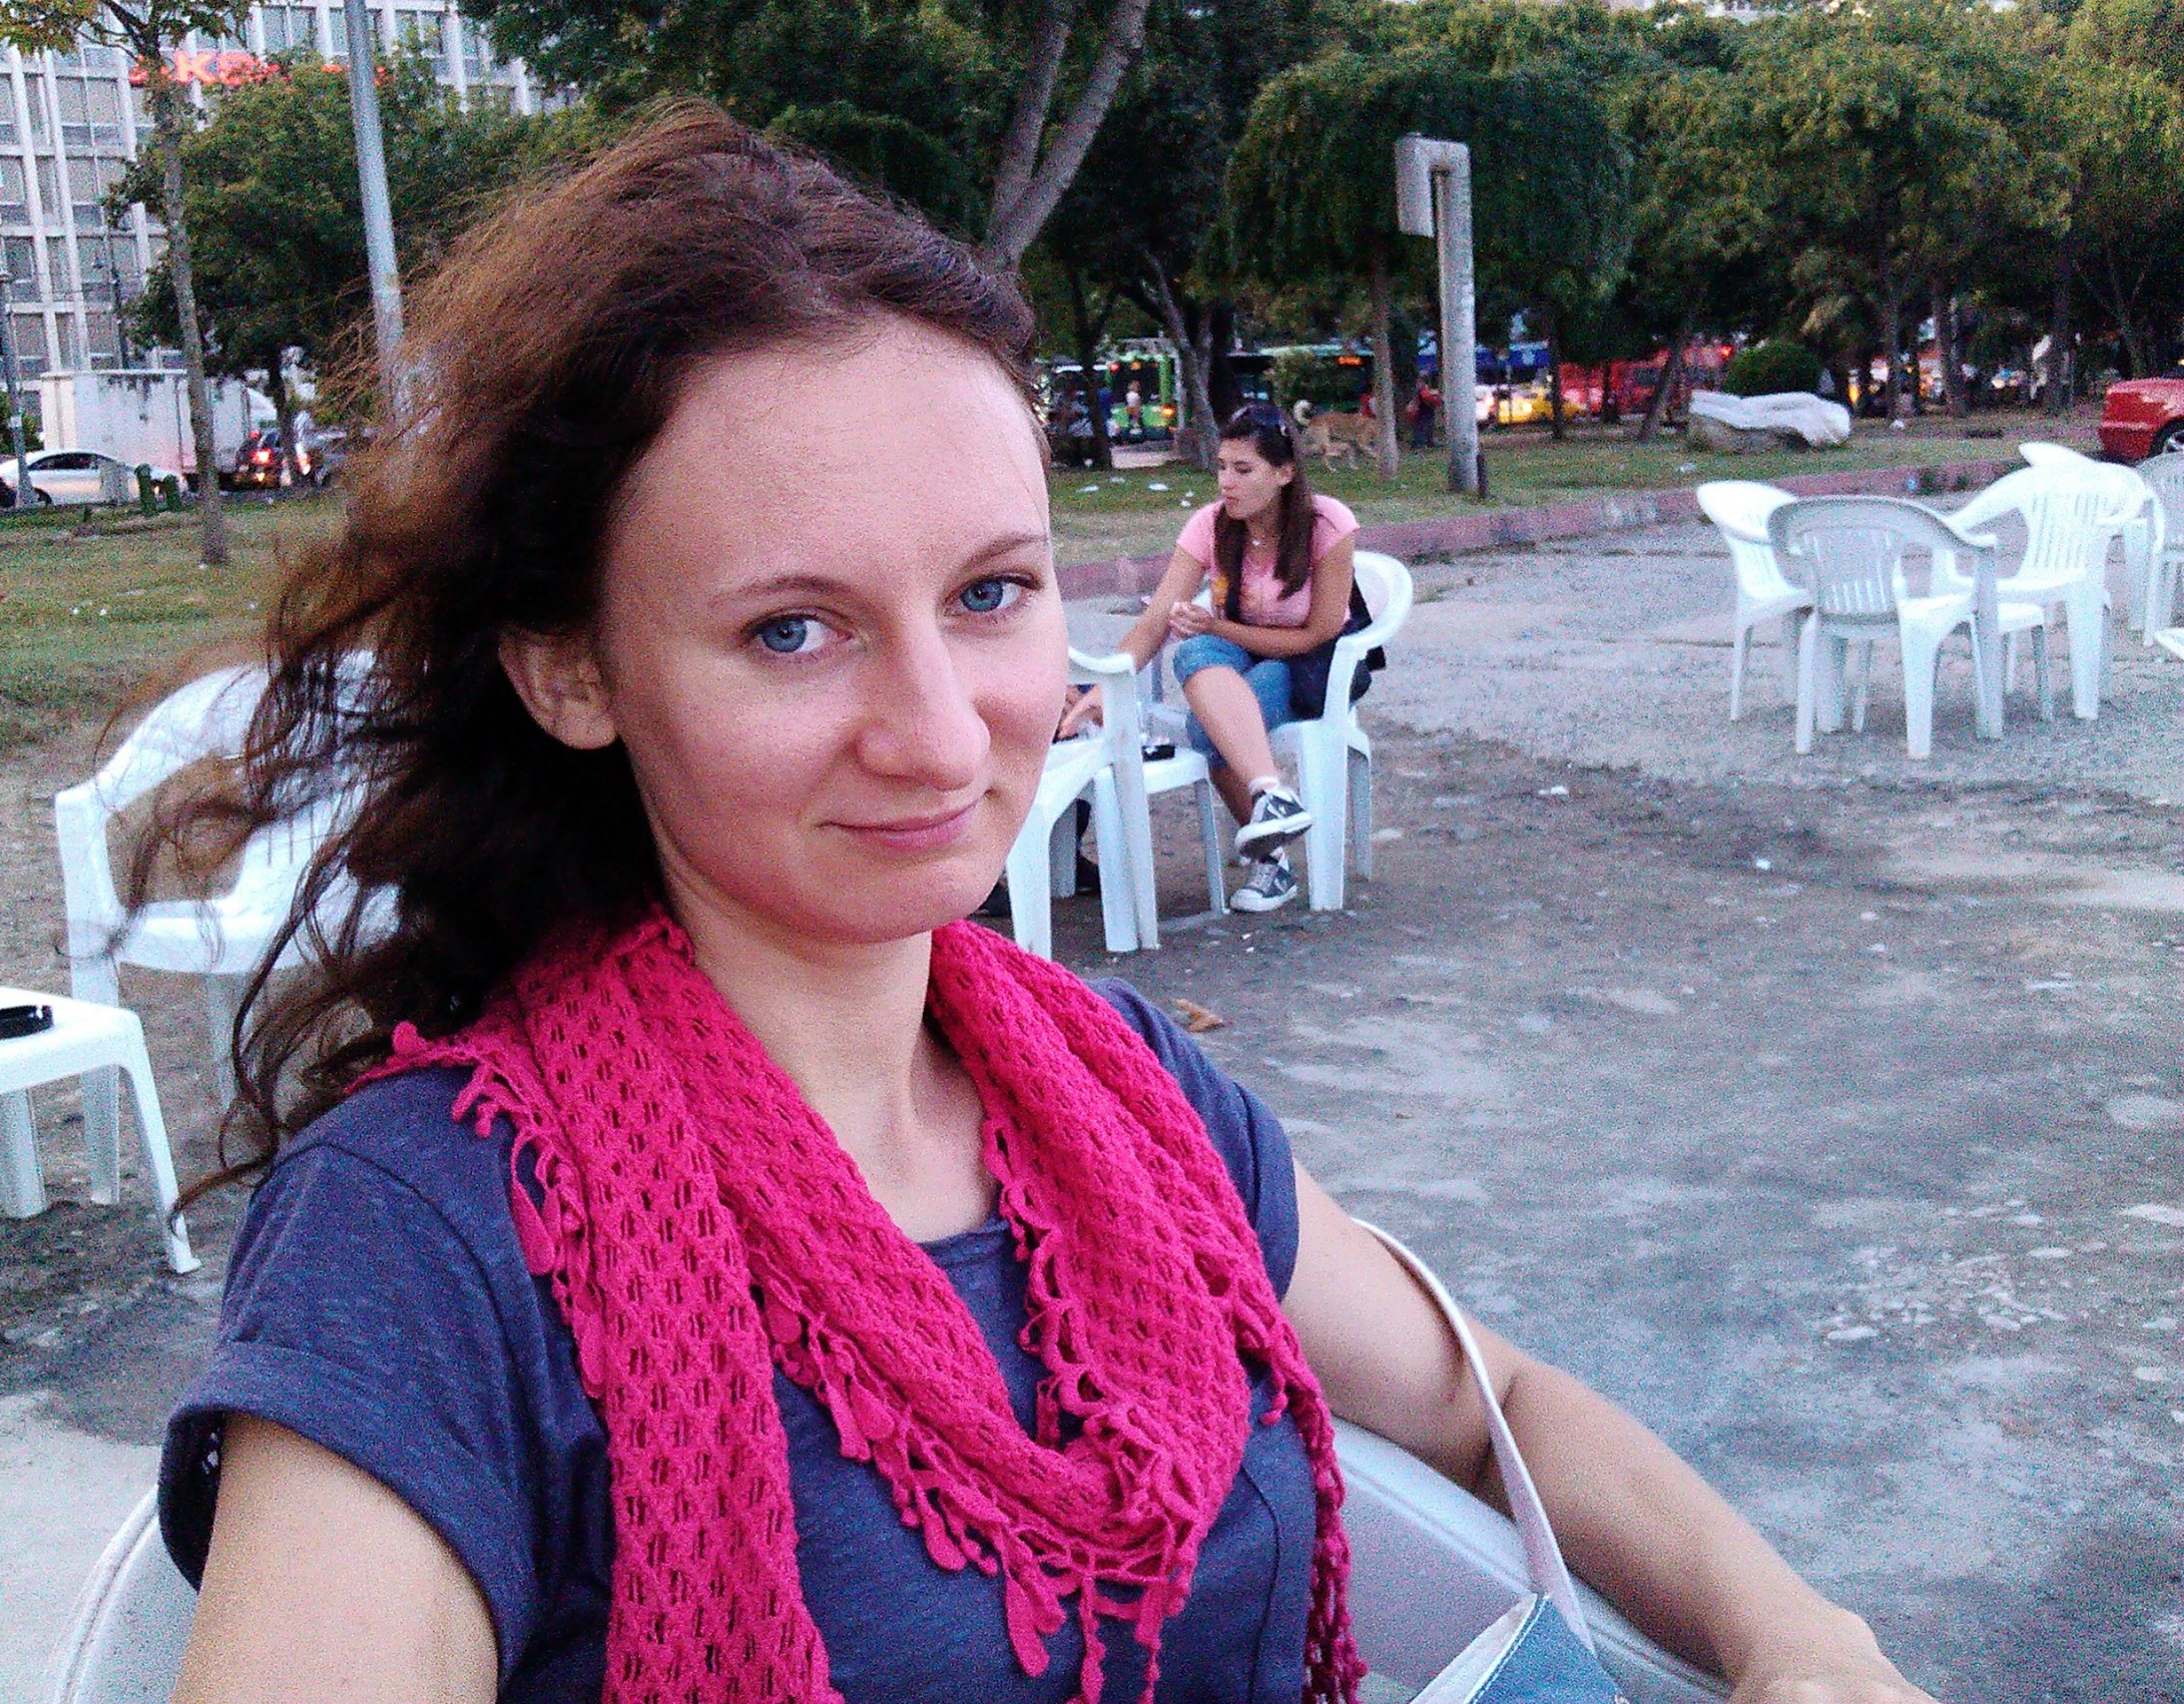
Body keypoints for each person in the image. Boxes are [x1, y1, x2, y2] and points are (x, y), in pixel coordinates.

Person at [150, 105, 1940, 1704]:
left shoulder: (1125, 1101)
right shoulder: (428, 1241)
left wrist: (1793, 1635)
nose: (940, 734)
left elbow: (1489, 1405)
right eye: (792, 629)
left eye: (991, 594)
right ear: (570, 671)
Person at [1060, 404, 1362, 915]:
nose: (1226, 482)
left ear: (1284, 473)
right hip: (1234, 658)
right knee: (1194, 649)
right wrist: (1105, 688)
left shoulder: (1327, 523)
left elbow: (1320, 632)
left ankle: (1272, 862)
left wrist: (1218, 627)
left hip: (1308, 662)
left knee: (1208, 728)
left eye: (1243, 470)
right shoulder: (1211, 524)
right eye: (1222, 467)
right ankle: (1271, 796)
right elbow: (1156, 622)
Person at [1406, 375, 1439, 450]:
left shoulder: (1420, 389)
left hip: (1423, 412)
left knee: (1424, 427)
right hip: (1423, 412)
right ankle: (1420, 444)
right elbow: (1427, 398)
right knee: (1422, 428)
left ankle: (1425, 442)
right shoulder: (1422, 390)